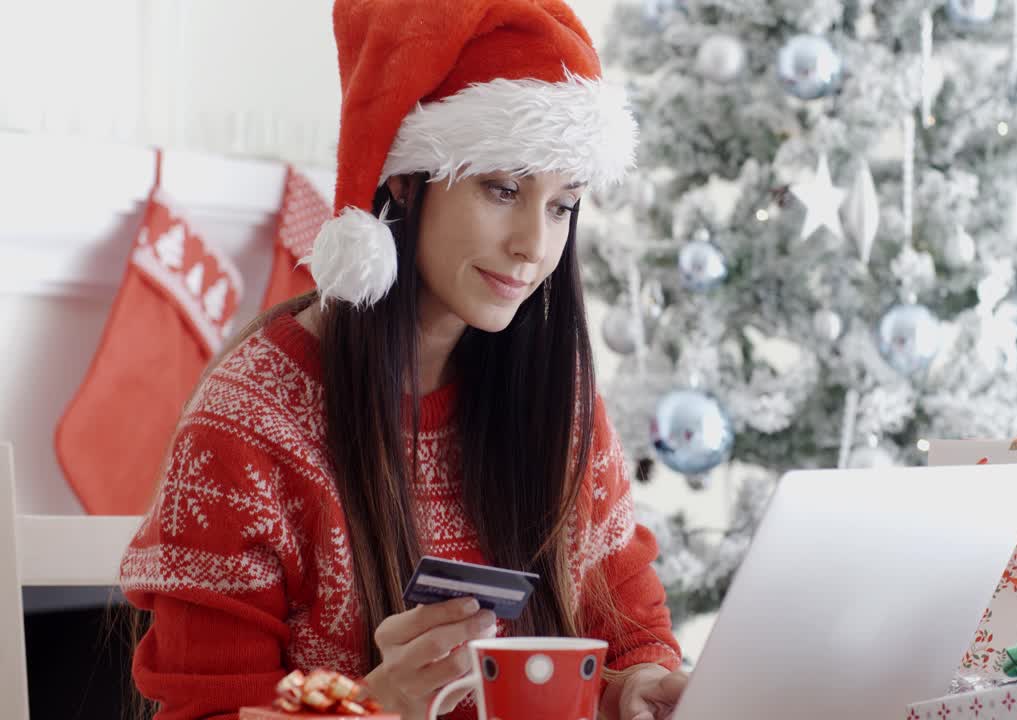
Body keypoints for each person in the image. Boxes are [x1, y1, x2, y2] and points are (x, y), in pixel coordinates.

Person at [118, 1, 687, 718]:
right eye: (502, 189)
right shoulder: (247, 427)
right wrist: (372, 706)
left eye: (561, 205)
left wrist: (635, 685)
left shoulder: (556, 400)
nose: (534, 246)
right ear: (404, 180)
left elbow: (631, 633)